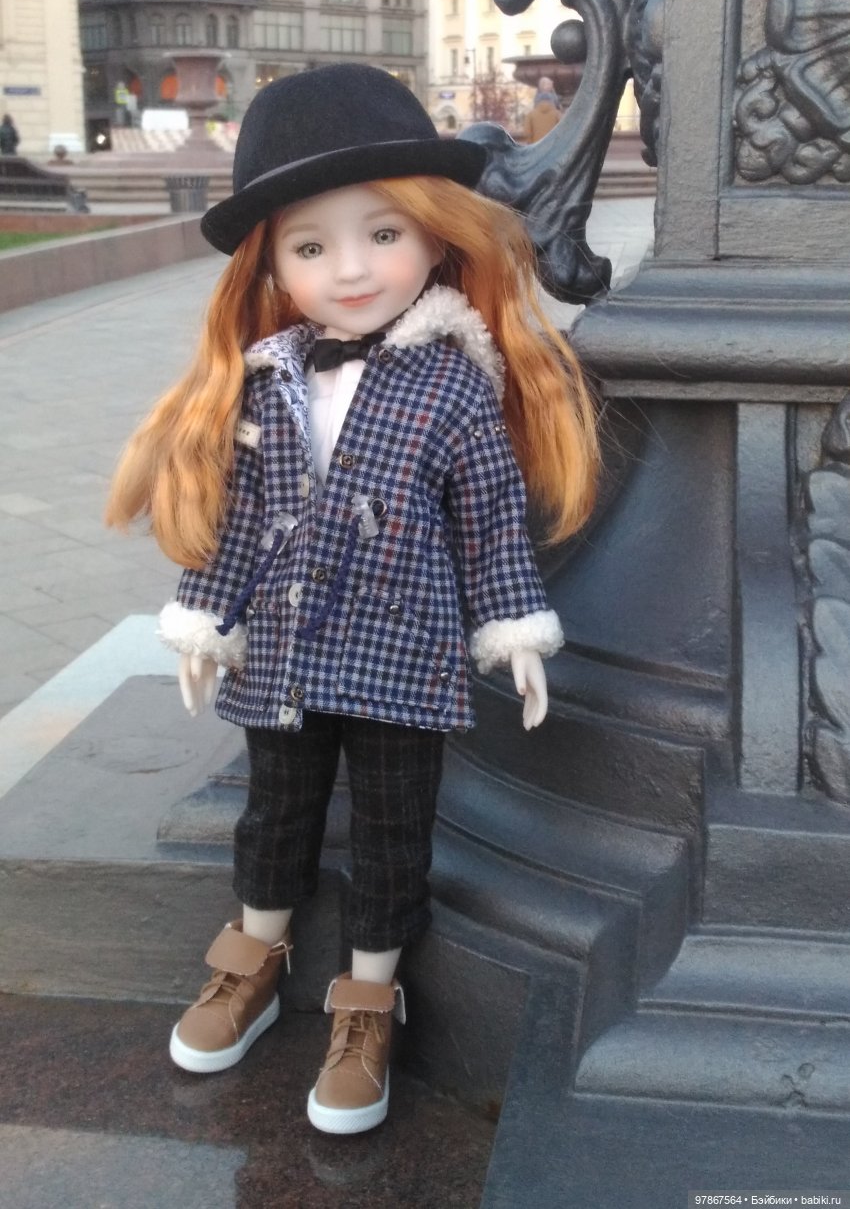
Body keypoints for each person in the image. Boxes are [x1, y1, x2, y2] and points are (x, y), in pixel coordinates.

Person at [106, 64, 598, 1136]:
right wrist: (204, 616)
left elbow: (489, 519)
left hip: (401, 652)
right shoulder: (266, 376)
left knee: (389, 828)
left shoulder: (454, 384)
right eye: (311, 247)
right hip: (283, 647)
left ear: (434, 235)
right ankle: (253, 956)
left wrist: (513, 626)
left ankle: (368, 1000)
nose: (353, 268)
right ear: (272, 265)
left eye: (383, 233)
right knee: (273, 810)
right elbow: (241, 518)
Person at [523, 76, 561, 143]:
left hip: (537, 145)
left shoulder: (530, 115)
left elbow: (527, 133)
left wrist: (531, 144)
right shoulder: (557, 114)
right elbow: (563, 131)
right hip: (553, 146)